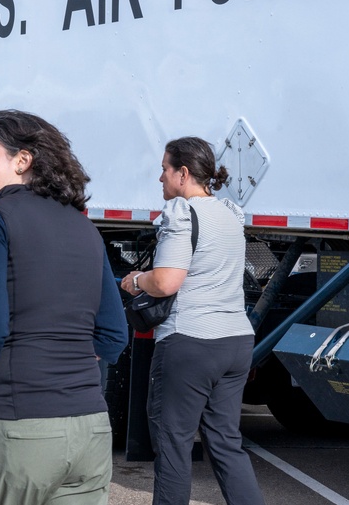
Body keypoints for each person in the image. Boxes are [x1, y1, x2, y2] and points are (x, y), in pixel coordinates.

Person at [0, 109, 127, 505]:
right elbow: (115, 335)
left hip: (16, 428)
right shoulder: (83, 226)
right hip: (90, 429)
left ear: (22, 160)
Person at [119, 137, 265, 505]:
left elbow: (167, 281)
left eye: (165, 169)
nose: (160, 177)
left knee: (173, 445)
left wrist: (136, 280)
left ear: (183, 174)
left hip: (191, 341)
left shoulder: (182, 213)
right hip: (235, 341)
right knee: (227, 445)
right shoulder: (231, 213)